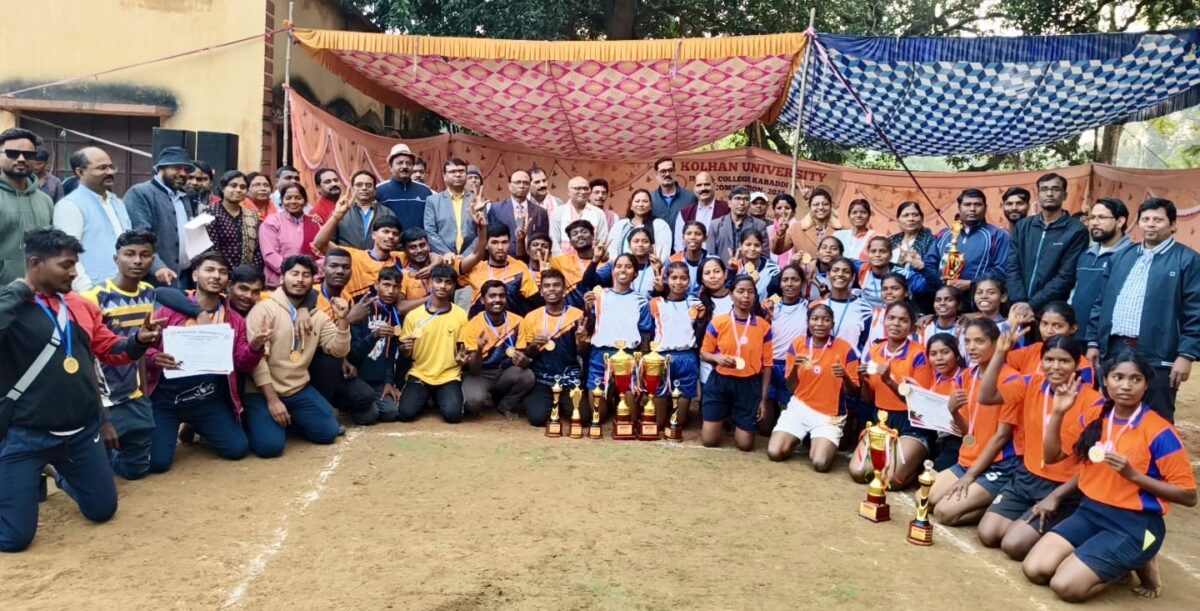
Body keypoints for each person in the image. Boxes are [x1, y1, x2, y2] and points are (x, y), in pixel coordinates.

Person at [0, 228, 160, 553]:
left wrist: (137, 342)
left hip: (81, 433)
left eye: (75, 264)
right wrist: (19, 289)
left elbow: (109, 348)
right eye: (66, 265)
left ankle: (55, 472)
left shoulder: (79, 304)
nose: (74, 272)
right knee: (14, 539)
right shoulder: (12, 304)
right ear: (35, 264)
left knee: (102, 510)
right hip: (25, 436)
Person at [1023, 351, 1197, 602]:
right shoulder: (1094, 415)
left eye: (1135, 379)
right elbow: (1051, 457)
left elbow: (1189, 496)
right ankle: (1112, 559)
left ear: (1146, 384)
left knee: (1065, 586)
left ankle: (1132, 563)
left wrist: (1133, 475)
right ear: (1106, 380)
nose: (1126, 386)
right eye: (1118, 377)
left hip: (1135, 523)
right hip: (1090, 511)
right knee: (1035, 569)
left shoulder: (1160, 431)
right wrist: (1058, 413)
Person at [978, 334, 1103, 561]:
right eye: (1049, 359)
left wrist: (1056, 496)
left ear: (1077, 364)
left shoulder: (1094, 403)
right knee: (988, 534)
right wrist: (1000, 353)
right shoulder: (1031, 383)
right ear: (1041, 361)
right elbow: (986, 396)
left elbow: (1093, 465)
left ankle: (1074, 528)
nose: (1055, 367)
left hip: (1064, 486)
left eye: (1064, 361)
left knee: (1013, 545)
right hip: (1028, 476)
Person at [144, 252, 261, 471]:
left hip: (206, 398)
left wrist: (255, 348)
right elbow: (142, 348)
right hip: (166, 399)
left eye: (222, 272)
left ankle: (196, 425)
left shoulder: (233, 319)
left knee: (237, 449)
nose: (216, 276)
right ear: (195, 275)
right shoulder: (168, 310)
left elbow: (241, 363)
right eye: (210, 270)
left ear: (227, 281)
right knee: (158, 463)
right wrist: (154, 357)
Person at [1086, 198, 1200, 423]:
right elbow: (1101, 302)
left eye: (1158, 220)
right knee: (1113, 412)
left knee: (1156, 417)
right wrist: (1093, 342)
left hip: (1159, 352)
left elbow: (1196, 311)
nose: (1150, 224)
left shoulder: (1188, 260)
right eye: (1145, 219)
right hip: (1115, 349)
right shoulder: (1121, 256)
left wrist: (1186, 354)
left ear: (1173, 225)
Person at [243, 255, 350, 457]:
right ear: (282, 278)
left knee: (328, 433)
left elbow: (339, 351)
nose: (300, 280)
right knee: (270, 447)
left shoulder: (318, 316)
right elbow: (258, 361)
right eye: (294, 274)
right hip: (262, 392)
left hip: (297, 389)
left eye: (306, 275)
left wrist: (343, 321)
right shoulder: (263, 310)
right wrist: (273, 401)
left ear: (313, 281)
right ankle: (249, 421)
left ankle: (290, 421)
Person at [928, 318, 1023, 526]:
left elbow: (1002, 436)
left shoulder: (1011, 379)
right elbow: (966, 431)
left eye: (979, 341)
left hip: (999, 463)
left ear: (996, 343)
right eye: (968, 341)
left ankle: (991, 503)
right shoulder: (966, 376)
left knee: (945, 513)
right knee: (925, 498)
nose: (971, 347)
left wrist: (970, 476)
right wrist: (953, 411)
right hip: (970, 456)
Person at [82, 230, 159, 480]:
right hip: (102, 397)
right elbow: (86, 356)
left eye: (145, 255)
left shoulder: (148, 292)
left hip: (134, 394)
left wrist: (144, 393)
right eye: (130, 254)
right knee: (94, 474)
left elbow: (141, 347)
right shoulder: (93, 297)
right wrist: (99, 412)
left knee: (136, 471)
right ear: (116, 258)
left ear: (152, 259)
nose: (137, 261)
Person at [768, 303, 860, 469]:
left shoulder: (845, 349)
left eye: (825, 320)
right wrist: (795, 368)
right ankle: (797, 437)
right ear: (808, 322)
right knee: (775, 452)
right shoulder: (797, 344)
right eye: (815, 319)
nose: (819, 324)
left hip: (829, 415)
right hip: (799, 408)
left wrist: (845, 376)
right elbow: (791, 387)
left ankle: (815, 441)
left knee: (820, 463)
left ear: (832, 324)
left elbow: (853, 392)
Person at [851, 301, 933, 486]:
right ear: (884, 321)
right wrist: (863, 381)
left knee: (890, 481)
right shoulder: (874, 351)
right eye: (891, 318)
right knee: (858, 472)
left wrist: (889, 381)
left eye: (903, 320)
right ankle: (893, 455)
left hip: (911, 424)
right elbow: (869, 399)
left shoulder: (919, 355)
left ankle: (914, 461)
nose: (896, 323)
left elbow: (919, 404)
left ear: (912, 327)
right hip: (881, 419)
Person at [700, 274, 772, 451]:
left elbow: (767, 364)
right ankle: (722, 419)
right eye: (740, 291)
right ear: (731, 294)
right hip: (720, 381)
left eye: (750, 292)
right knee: (709, 441)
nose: (746, 296)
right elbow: (704, 353)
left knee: (745, 444)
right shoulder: (718, 322)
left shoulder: (763, 326)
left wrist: (763, 400)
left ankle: (738, 422)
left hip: (749, 384)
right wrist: (717, 358)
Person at [584, 253, 655, 424]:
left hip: (629, 356)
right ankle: (609, 398)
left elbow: (645, 333)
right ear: (613, 271)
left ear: (635, 273)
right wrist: (587, 309)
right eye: (619, 266)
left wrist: (641, 364)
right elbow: (589, 326)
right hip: (600, 355)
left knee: (629, 420)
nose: (623, 270)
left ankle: (620, 396)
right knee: (597, 418)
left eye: (628, 267)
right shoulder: (598, 296)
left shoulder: (641, 301)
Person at [397, 263, 470, 423]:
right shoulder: (413, 316)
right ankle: (426, 397)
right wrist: (405, 348)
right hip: (420, 374)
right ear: (430, 283)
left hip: (448, 375)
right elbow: (405, 352)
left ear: (453, 286)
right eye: (438, 281)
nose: (442, 286)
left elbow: (462, 349)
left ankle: (438, 397)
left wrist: (463, 358)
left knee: (453, 415)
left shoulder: (460, 315)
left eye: (448, 282)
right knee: (405, 414)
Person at [1007, 173, 1088, 313]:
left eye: (1055, 189)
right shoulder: (1023, 226)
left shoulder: (1076, 230)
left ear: (1065, 195)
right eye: (1044, 189)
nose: (1049, 193)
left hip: (1052, 311)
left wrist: (1032, 304)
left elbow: (1066, 276)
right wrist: (1019, 301)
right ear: (1038, 195)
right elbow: (1012, 266)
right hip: (1019, 307)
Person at [53, 147, 130, 291]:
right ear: (80, 172)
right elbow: (67, 253)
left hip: (123, 288)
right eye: (102, 168)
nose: (110, 172)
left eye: (111, 167)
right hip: (92, 291)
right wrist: (86, 291)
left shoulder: (117, 203)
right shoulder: (70, 206)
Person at [518, 269, 587, 427]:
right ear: (541, 291)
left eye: (556, 285)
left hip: (569, 378)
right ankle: (543, 402)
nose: (552, 289)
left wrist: (582, 341)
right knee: (537, 419)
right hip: (541, 378)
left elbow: (582, 353)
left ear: (564, 290)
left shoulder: (578, 316)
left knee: (582, 419)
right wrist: (533, 346)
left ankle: (562, 402)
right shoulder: (531, 317)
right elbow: (529, 355)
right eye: (547, 286)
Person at [462, 281, 535, 419]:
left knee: (527, 376)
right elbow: (474, 370)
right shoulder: (473, 325)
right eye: (492, 296)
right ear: (483, 300)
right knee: (473, 404)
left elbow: (522, 360)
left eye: (502, 296)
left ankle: (505, 405)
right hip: (481, 373)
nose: (497, 300)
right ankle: (484, 394)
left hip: (505, 372)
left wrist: (524, 360)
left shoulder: (518, 321)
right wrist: (479, 349)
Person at [124, 146, 196, 286]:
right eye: (177, 168)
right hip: (154, 279)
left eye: (187, 170)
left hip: (184, 276)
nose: (183, 173)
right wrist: (158, 266)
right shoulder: (141, 193)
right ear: (160, 168)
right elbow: (140, 237)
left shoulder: (184, 197)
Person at [313, 199, 407, 301]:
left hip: (388, 309)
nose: (390, 236)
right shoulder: (353, 256)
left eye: (395, 234)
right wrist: (336, 216)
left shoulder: (401, 258)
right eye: (386, 232)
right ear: (374, 235)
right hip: (351, 307)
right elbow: (320, 243)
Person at [919, 188, 1009, 295]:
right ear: (959, 208)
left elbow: (1000, 269)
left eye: (977, 205)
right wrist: (941, 285)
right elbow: (930, 263)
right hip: (944, 299)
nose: (972, 209)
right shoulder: (944, 234)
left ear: (985, 208)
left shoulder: (997, 235)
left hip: (978, 298)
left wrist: (972, 284)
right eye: (967, 205)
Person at [647, 262, 703, 432]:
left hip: (687, 357)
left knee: (679, 422)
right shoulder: (656, 303)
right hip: (662, 357)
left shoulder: (695, 304)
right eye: (674, 278)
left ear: (689, 280)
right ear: (666, 280)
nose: (679, 282)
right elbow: (649, 330)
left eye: (683, 278)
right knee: (659, 421)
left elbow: (700, 331)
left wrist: (701, 318)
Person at [347, 266, 406, 424]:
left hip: (378, 380)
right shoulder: (361, 311)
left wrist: (388, 382)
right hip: (357, 376)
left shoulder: (395, 316)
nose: (390, 291)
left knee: (391, 412)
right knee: (370, 416)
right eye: (386, 285)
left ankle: (370, 400)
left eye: (395, 287)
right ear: (376, 284)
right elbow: (353, 353)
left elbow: (390, 354)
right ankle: (348, 404)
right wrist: (374, 336)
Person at [1070, 198, 1131, 340]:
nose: (1094, 223)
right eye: (1092, 218)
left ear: (1120, 221)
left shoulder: (1132, 256)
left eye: (1101, 217)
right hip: (1077, 334)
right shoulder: (1086, 255)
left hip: (1108, 340)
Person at [0, 128, 55, 285]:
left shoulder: (45, 201)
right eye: (12, 153)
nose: (21, 159)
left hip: (39, 292)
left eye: (28, 154)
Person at [762, 263, 808, 433]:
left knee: (788, 425)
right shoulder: (771, 307)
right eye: (785, 280)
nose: (789, 284)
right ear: (780, 283)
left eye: (795, 280)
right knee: (765, 428)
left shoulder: (809, 307)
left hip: (793, 368)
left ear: (802, 283)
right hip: (770, 366)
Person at [1005, 301, 1094, 384]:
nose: (1048, 331)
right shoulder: (1032, 350)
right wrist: (1004, 348)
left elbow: (1083, 393)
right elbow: (1000, 366)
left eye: (1057, 326)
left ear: (1073, 329)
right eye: (1044, 324)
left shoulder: (1083, 365)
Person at [461, 223, 539, 315]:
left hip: (511, 321)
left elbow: (535, 302)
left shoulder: (519, 268)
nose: (500, 247)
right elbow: (450, 278)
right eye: (495, 242)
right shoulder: (475, 268)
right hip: (479, 321)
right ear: (486, 245)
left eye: (504, 242)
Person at [260, 183, 322, 288]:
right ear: (282, 201)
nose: (293, 201)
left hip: (311, 282)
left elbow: (324, 255)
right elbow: (270, 255)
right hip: (279, 282)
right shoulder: (271, 222)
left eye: (298, 198)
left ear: (305, 201)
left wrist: (310, 273)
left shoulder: (314, 223)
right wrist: (292, 273)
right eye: (288, 198)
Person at [204, 171, 263, 271]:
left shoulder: (252, 216)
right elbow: (212, 248)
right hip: (219, 272)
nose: (238, 190)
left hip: (247, 274)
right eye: (233, 186)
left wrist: (250, 271)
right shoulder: (210, 213)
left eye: (243, 187)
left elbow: (258, 249)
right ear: (223, 188)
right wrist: (229, 272)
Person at [814, 257, 872, 352]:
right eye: (835, 270)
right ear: (828, 275)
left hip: (851, 360)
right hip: (821, 359)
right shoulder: (817, 306)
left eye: (846, 271)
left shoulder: (864, 309)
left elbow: (865, 344)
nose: (840, 274)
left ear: (853, 277)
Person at [487, 170, 549, 257]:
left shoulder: (540, 212)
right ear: (509, 185)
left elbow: (544, 241)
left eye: (526, 183)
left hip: (530, 260)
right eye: (518, 182)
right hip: (504, 259)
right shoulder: (496, 209)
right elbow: (490, 236)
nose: (522, 186)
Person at [376, 143, 433, 233]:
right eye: (400, 163)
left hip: (419, 241)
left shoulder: (425, 191)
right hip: (391, 241)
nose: (405, 166)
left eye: (409, 163)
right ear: (391, 167)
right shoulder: (379, 191)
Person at [424, 158, 477, 255]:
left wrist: (466, 256)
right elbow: (430, 231)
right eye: (453, 172)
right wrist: (446, 253)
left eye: (461, 171)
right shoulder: (433, 201)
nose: (458, 175)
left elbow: (482, 232)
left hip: (471, 257)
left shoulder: (477, 200)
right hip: (443, 257)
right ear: (445, 176)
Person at [857, 235, 926, 308]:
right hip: (865, 313)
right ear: (868, 254)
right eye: (873, 251)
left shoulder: (903, 274)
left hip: (896, 313)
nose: (877, 255)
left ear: (891, 255)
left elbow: (929, 287)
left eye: (882, 251)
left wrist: (921, 267)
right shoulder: (861, 269)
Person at [775, 186, 840, 260]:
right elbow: (778, 250)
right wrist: (781, 232)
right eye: (816, 204)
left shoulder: (842, 230)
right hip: (805, 267)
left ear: (831, 206)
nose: (821, 207)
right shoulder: (796, 228)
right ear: (810, 207)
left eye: (825, 204)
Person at [551, 176, 609, 256]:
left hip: (591, 261)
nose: (583, 192)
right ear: (569, 192)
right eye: (578, 188)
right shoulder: (559, 212)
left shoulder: (598, 213)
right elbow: (554, 242)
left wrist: (595, 260)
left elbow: (602, 241)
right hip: (563, 261)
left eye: (586, 189)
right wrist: (561, 262)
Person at [706, 185, 767, 261]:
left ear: (749, 204)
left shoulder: (760, 225)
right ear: (729, 203)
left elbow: (764, 257)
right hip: (722, 268)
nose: (742, 203)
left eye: (746, 199)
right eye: (737, 198)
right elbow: (710, 256)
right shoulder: (715, 225)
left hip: (750, 268)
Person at [548, 219, 597, 310]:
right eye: (575, 234)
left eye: (584, 232)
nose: (580, 235)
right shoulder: (560, 262)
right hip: (574, 313)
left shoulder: (608, 263)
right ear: (570, 242)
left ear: (592, 236)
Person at [673, 172, 728, 253]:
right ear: (694, 189)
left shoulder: (727, 209)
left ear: (714, 186)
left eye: (707, 184)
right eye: (699, 185)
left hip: (719, 259)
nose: (703, 188)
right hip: (691, 259)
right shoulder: (685, 212)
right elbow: (679, 244)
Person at [730, 228, 779, 301]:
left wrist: (769, 304)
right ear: (740, 246)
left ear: (762, 247)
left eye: (757, 245)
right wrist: (732, 271)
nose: (752, 249)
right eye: (748, 244)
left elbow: (778, 297)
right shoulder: (734, 267)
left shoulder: (773, 270)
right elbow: (729, 296)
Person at [649, 156, 697, 233]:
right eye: (663, 171)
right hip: (658, 240)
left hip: (682, 240)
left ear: (675, 172)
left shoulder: (691, 197)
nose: (667, 174)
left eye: (670, 170)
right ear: (656, 176)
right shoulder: (650, 198)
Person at [889, 201, 935, 268]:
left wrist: (919, 265)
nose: (911, 219)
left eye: (915, 215)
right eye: (906, 215)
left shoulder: (931, 241)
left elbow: (932, 268)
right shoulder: (891, 240)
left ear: (922, 218)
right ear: (898, 220)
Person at [769, 194, 799, 267]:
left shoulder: (799, 229)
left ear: (794, 211)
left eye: (787, 208)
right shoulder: (769, 229)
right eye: (779, 208)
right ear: (774, 210)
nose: (783, 211)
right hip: (772, 270)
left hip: (795, 268)